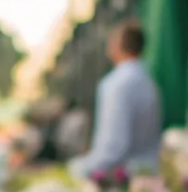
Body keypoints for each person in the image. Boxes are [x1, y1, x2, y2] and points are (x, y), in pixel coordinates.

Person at [69, 21, 162, 180]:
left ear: (116, 46)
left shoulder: (114, 84)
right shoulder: (150, 83)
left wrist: (80, 168)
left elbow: (112, 147)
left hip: (120, 178)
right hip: (150, 174)